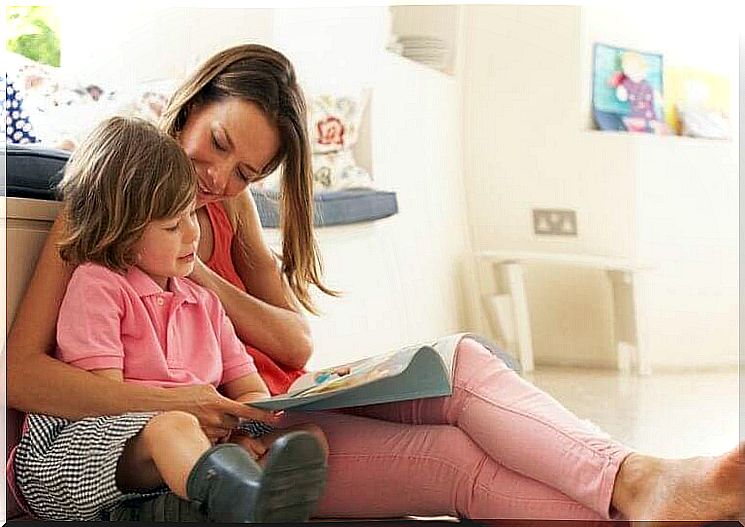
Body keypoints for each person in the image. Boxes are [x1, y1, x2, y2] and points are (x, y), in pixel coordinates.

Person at [6, 43, 743, 522]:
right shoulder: (113, 199)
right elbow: (23, 372)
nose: (217, 180)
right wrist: (200, 403)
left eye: (247, 174)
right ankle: (645, 494)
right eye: (218, 145)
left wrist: (199, 273)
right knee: (454, 461)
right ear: (191, 103)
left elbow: (292, 337)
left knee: (458, 362)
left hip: (266, 408)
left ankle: (642, 481)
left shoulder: (219, 211)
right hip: (216, 429)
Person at [9, 116, 328, 522]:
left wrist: (244, 427)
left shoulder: (205, 304)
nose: (193, 235)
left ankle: (206, 500)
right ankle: (235, 497)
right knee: (171, 427)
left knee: (308, 437)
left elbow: (248, 389)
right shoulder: (99, 286)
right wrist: (197, 426)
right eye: (174, 225)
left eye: (192, 216)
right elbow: (109, 403)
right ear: (122, 232)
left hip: (176, 449)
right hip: (75, 453)